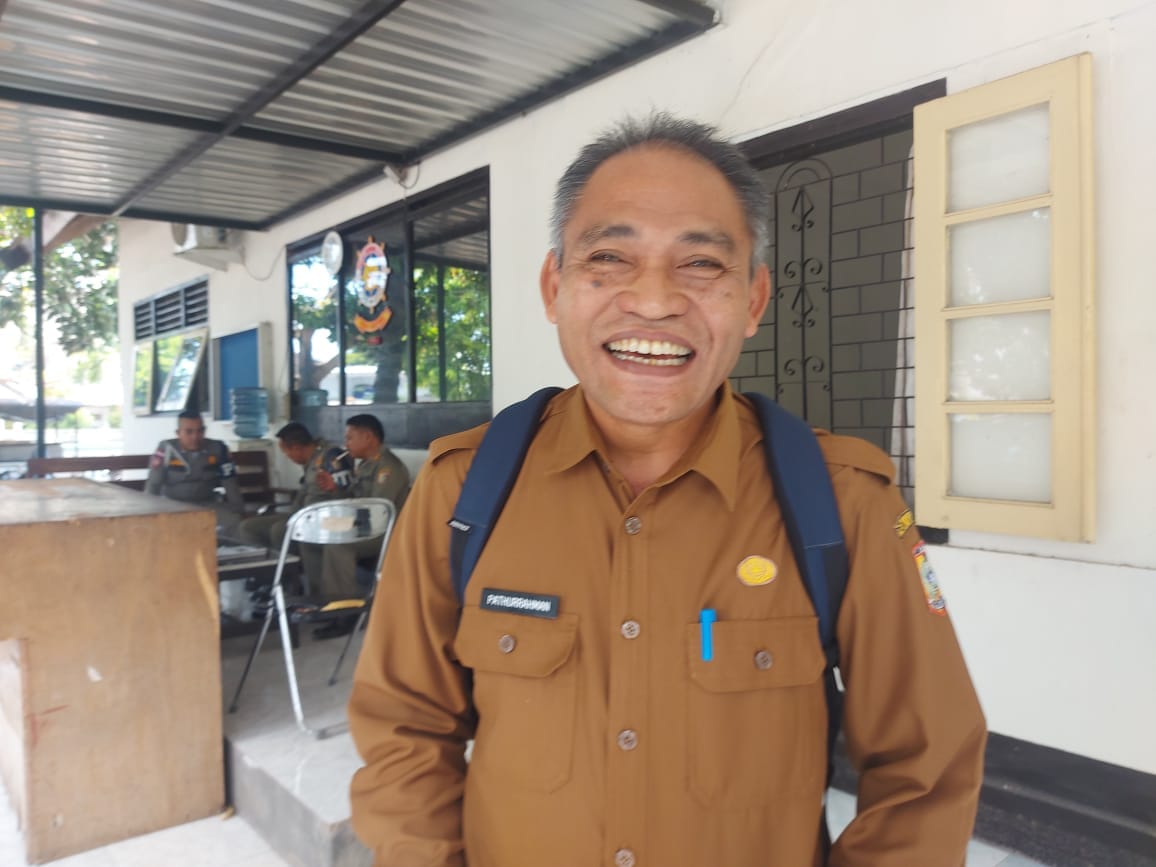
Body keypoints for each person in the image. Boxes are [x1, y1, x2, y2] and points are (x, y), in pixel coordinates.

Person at [347, 114, 987, 866]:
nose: (653, 301)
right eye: (609, 257)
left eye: (701, 264)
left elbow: (926, 770)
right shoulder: (462, 491)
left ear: (754, 299)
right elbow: (403, 730)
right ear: (555, 287)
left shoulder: (844, 499)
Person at [310, 413, 410, 610]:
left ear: (368, 437)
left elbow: (378, 511)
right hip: (363, 525)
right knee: (315, 534)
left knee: (338, 546)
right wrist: (334, 488)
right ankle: (320, 600)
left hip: (383, 532)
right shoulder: (365, 465)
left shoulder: (388, 468)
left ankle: (344, 609)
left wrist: (344, 524)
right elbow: (353, 499)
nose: (345, 444)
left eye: (350, 438)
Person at [237, 421, 341, 581]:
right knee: (248, 527)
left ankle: (288, 581)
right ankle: (265, 578)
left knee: (280, 530)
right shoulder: (311, 461)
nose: (288, 457)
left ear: (296, 448)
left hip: (320, 518)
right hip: (299, 514)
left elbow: (339, 494)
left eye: (287, 453)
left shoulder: (330, 457)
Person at [145, 410, 244, 534]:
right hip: (173, 505)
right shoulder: (165, 450)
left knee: (234, 522)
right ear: (178, 433)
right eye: (189, 432)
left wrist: (239, 510)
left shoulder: (218, 449)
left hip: (207, 504)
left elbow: (230, 482)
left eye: (200, 431)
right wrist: (149, 515)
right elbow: (153, 484)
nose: (195, 437)